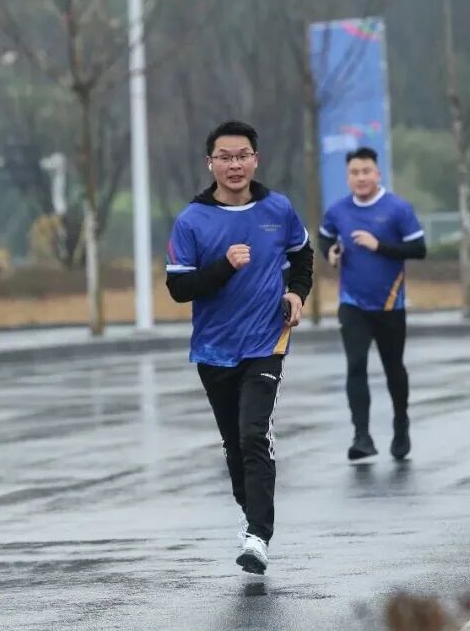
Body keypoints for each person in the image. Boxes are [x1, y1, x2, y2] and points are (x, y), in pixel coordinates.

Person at [165, 120, 313, 576]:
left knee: (253, 433)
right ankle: (251, 517)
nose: (235, 164)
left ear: (256, 159)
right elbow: (178, 287)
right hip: (214, 348)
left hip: (267, 341)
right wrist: (224, 267)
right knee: (234, 443)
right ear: (211, 163)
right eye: (225, 157)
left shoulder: (278, 209)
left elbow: (302, 255)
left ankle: (258, 536)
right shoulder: (192, 221)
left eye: (242, 155)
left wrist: (296, 293)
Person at [318, 147, 426, 462]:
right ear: (348, 177)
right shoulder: (338, 210)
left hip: (391, 304)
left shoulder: (397, 209)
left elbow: (418, 248)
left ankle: (401, 424)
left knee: (394, 368)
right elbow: (325, 239)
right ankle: (361, 436)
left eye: (366, 171)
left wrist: (380, 246)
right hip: (352, 303)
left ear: (377, 174)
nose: (361, 177)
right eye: (354, 172)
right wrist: (331, 254)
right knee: (356, 365)